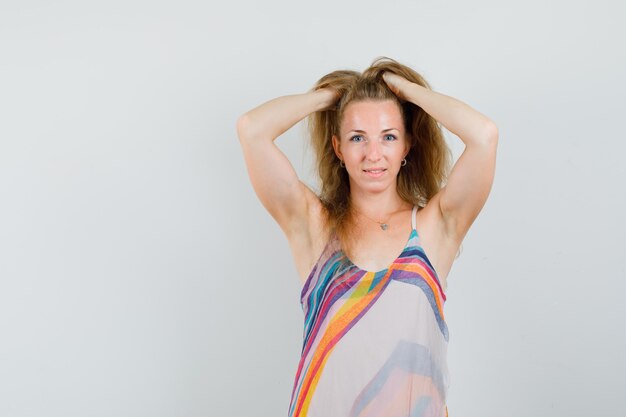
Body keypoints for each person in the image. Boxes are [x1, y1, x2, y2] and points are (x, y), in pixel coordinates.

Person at [236, 57, 498, 417]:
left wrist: (404, 89)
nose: (373, 154)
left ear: (407, 146)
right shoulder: (314, 227)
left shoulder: (435, 228)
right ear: (338, 147)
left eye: (389, 136)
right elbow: (252, 130)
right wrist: (330, 96)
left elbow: (484, 135)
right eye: (358, 137)